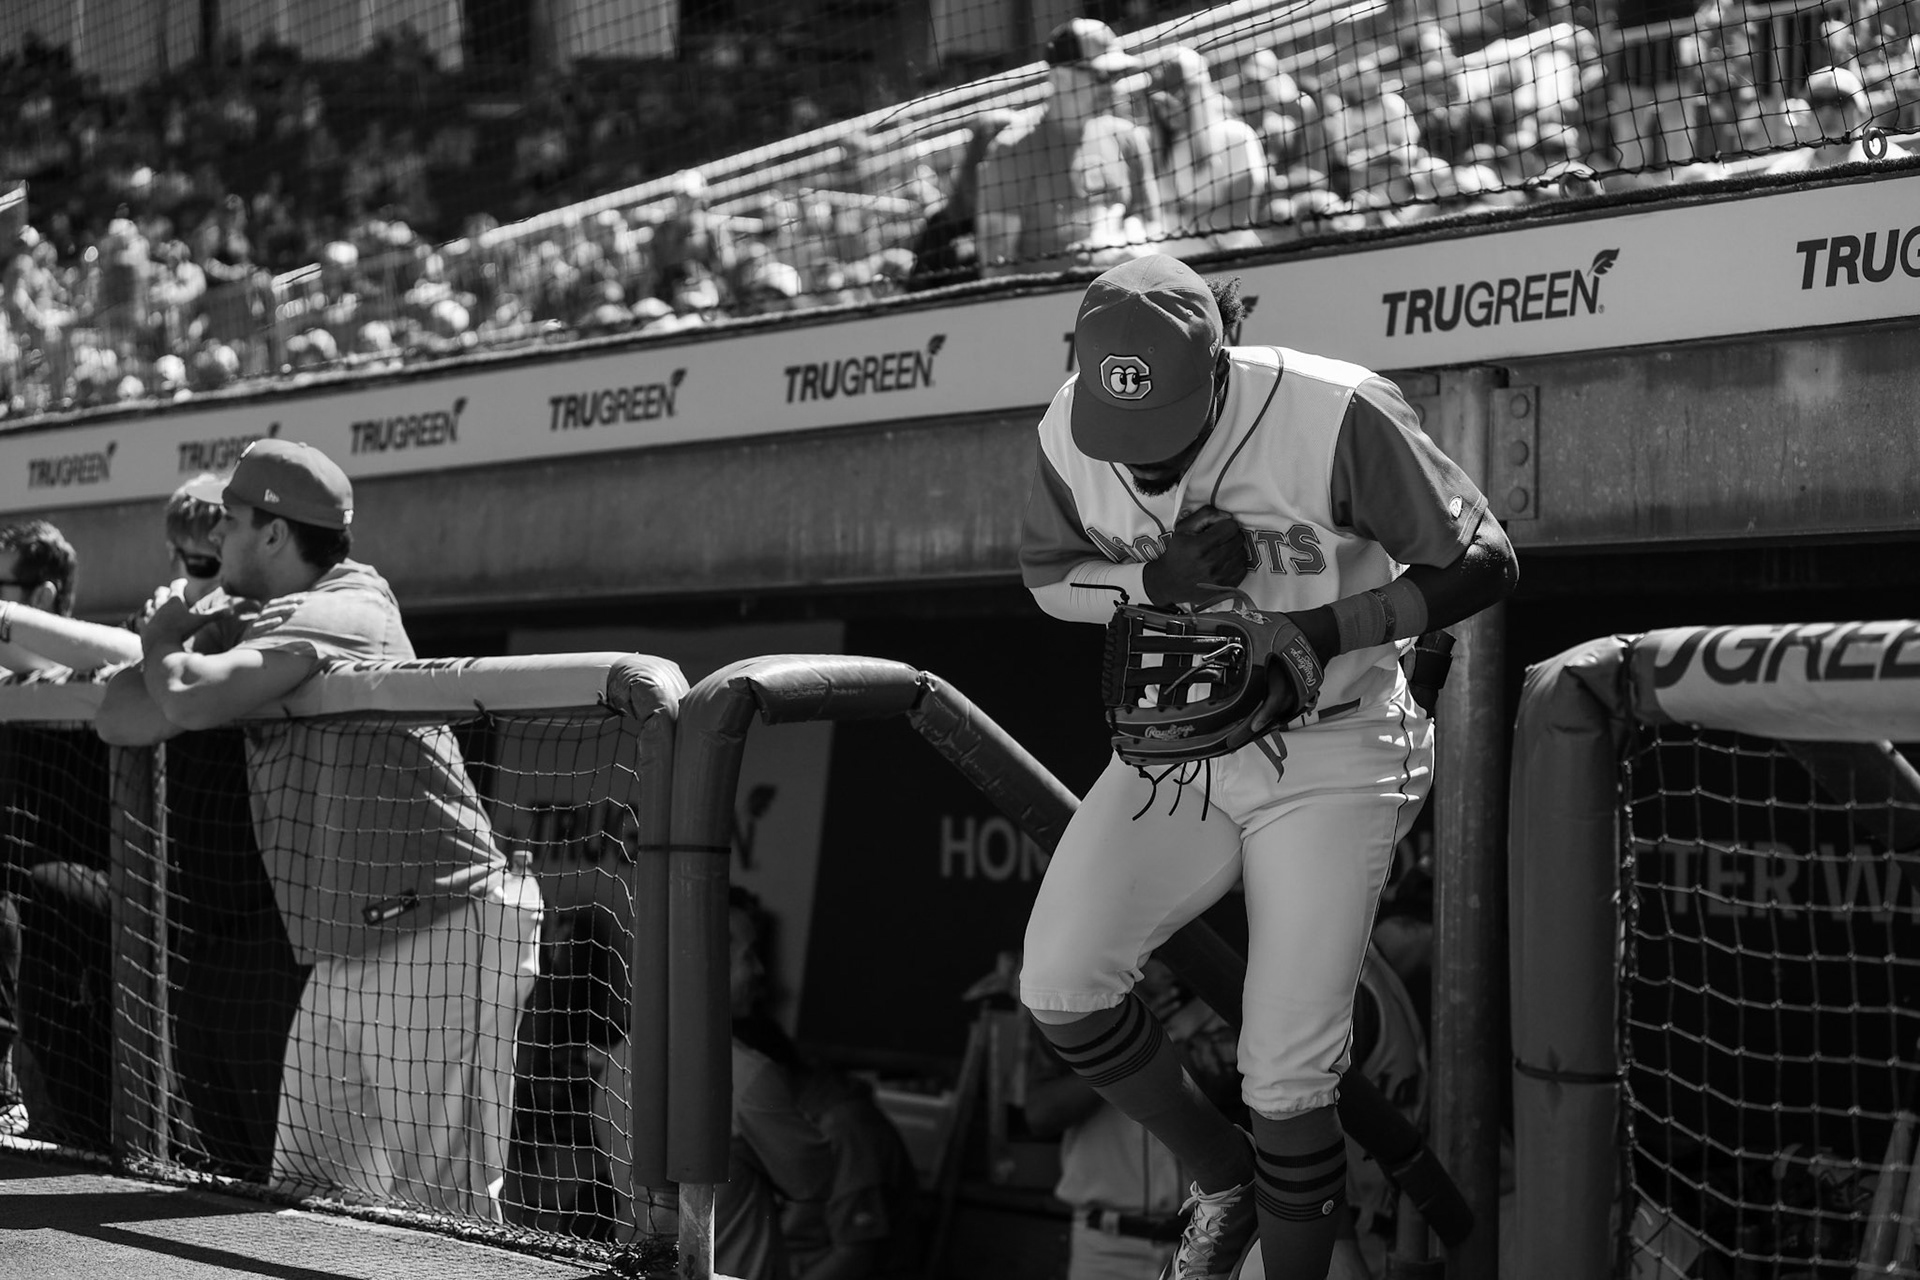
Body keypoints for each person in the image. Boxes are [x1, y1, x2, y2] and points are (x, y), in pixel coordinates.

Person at [1015, 254, 1518, 1280]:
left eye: (1164, 431)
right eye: (1129, 438)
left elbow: (1486, 559)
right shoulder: (1069, 429)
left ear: (1219, 366)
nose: (1144, 463)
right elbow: (1043, 579)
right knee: (1063, 981)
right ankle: (1224, 1178)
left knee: (1286, 1074)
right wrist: (1147, 579)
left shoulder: (1331, 411)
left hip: (1339, 740)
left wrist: (1328, 626)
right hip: (1193, 743)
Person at [95, 440, 544, 1217]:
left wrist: (167, 639)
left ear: (273, 535)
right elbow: (123, 717)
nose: (215, 540)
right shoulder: (261, 614)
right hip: (348, 943)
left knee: (443, 1209)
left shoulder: (347, 606)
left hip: (444, 923)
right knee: (312, 1195)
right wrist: (190, 643)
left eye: (230, 522)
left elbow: (190, 702)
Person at [140, 480, 311, 1182]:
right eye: (178, 558)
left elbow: (188, 681)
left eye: (203, 562)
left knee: (285, 1166)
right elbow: (124, 710)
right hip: (201, 917)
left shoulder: (277, 620)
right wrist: (162, 637)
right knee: (222, 1161)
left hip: (273, 917)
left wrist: (165, 637)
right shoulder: (182, 620)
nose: (185, 577)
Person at [1024, 956, 1242, 1280]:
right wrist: (1124, 1048)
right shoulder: (1076, 1009)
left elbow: (1235, 1105)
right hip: (1106, 1241)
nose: (1169, 966)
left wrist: (1164, 1042)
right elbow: (1040, 1114)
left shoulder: (1217, 1007)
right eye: (1157, 954)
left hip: (1204, 1236)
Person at [974, 20, 1161, 277]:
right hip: (1050, 310)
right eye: (1101, 76)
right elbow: (997, 269)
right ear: (1061, 77)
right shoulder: (1012, 150)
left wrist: (1127, 239)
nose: (1112, 87)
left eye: (1116, 75)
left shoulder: (1127, 137)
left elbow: (1152, 221)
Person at [720, 887, 835, 1280]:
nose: (760, 971)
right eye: (748, 956)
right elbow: (814, 1180)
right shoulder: (747, 1075)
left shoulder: (620, 1057)